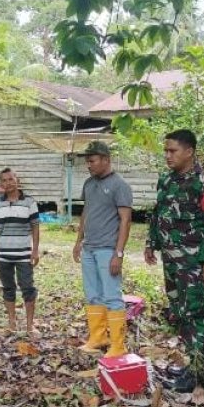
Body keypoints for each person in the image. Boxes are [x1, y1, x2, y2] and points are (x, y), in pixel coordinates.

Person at [144, 129, 204, 392]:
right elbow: (158, 214)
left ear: (189, 151)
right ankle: (194, 362)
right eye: (165, 150)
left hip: (193, 263)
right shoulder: (166, 180)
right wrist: (151, 243)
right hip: (172, 260)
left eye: (172, 151)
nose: (167, 156)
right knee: (179, 312)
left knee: (195, 313)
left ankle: (198, 371)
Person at [72, 141, 133, 358]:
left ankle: (118, 345)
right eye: (87, 161)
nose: (88, 165)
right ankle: (98, 337)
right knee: (92, 295)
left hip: (108, 249)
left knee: (112, 296)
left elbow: (125, 221)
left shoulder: (119, 185)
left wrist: (119, 254)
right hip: (90, 248)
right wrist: (79, 241)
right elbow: (86, 213)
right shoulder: (89, 184)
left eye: (92, 160)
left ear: (106, 159)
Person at [0, 168, 40, 334]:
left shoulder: (29, 202)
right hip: (2, 255)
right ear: (1, 184)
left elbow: (35, 227)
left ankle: (29, 326)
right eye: (4, 181)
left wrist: (35, 250)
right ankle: (12, 324)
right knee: (8, 288)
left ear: (17, 180)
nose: (8, 183)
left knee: (27, 288)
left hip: (23, 254)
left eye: (10, 179)